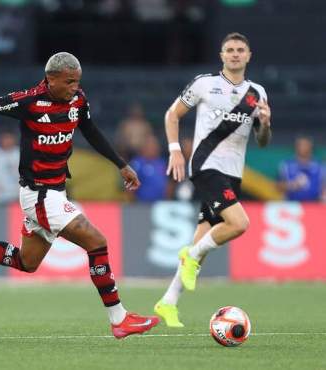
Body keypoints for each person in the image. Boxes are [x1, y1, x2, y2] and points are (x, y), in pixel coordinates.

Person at [0, 52, 160, 339]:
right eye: (69, 82)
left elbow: (90, 131)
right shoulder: (28, 101)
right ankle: (119, 318)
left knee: (27, 262)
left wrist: (121, 165)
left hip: (55, 192)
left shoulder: (78, 100)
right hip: (39, 194)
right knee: (97, 242)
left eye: (77, 81)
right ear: (50, 80)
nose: (74, 87)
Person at [153, 32, 272, 327]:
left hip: (233, 173)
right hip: (207, 166)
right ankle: (190, 255)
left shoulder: (257, 93)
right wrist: (175, 150)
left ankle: (167, 302)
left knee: (203, 238)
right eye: (229, 50)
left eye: (240, 50)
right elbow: (172, 115)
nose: (234, 54)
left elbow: (263, 141)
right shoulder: (205, 84)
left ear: (248, 55)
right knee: (239, 224)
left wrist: (265, 124)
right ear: (222, 55)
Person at [277, 136, 325, 201]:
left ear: (311, 146)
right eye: (300, 145)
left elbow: (324, 186)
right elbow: (278, 186)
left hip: (315, 205)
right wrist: (292, 185)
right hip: (293, 205)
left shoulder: (320, 166)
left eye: (305, 145)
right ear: (296, 147)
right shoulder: (286, 165)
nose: (302, 147)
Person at [129, 134, 170, 202]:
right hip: (141, 204)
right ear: (143, 148)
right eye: (150, 146)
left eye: (155, 145)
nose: (154, 148)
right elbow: (130, 187)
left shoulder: (162, 162)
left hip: (161, 204)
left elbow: (168, 184)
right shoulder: (136, 163)